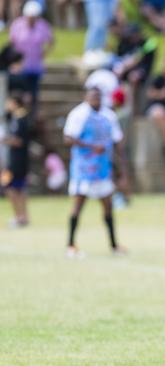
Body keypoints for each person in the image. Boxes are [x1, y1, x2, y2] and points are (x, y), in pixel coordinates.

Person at [63, 87, 127, 258]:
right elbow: (68, 138)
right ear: (86, 97)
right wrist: (91, 147)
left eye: (98, 97)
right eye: (92, 97)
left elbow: (117, 140)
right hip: (83, 169)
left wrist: (122, 168)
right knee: (78, 205)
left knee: (108, 206)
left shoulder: (109, 116)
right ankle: (70, 245)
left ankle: (114, 245)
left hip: (102, 169)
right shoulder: (78, 114)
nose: (95, 100)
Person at [9, 0, 53, 105]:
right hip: (21, 67)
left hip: (35, 66)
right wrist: (14, 60)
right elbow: (11, 43)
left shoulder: (43, 25)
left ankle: (32, 117)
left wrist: (45, 52)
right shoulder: (17, 25)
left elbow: (51, 41)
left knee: (34, 95)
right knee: (20, 95)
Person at [0, 92, 30, 228]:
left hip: (17, 160)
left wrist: (4, 140)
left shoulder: (20, 119)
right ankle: (23, 217)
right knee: (20, 188)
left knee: (7, 186)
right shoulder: (18, 118)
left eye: (9, 102)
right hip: (19, 160)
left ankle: (19, 217)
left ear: (15, 103)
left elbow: (19, 141)